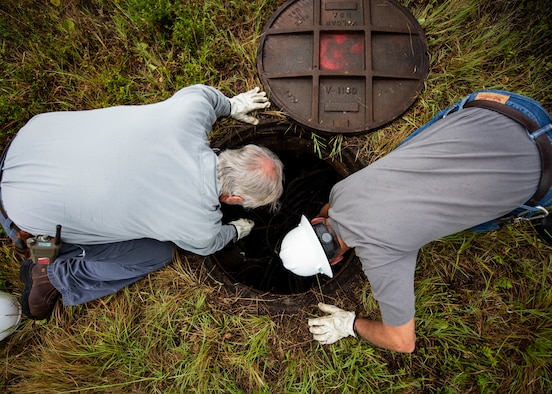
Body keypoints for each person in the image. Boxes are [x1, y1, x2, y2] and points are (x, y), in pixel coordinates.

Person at [279, 90, 552, 353]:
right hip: (501, 107)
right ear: (315, 219)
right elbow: (329, 208)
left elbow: (402, 342)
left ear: (336, 262)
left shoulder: (383, 258)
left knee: (480, 220)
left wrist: (350, 324)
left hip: (543, 170)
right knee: (408, 150)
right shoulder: (341, 191)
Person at [0, 84, 284, 321]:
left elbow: (206, 95)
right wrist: (237, 229)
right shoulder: (198, 226)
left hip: (27, 143)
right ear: (233, 200)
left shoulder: (191, 111)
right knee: (156, 253)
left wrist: (232, 106)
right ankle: (53, 275)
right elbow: (211, 243)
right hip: (20, 216)